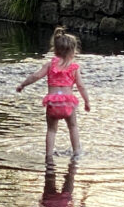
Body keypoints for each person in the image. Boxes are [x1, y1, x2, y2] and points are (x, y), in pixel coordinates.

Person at [16, 27, 91, 163]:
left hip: (53, 103)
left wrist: (23, 85)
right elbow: (81, 86)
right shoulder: (74, 68)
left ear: (55, 50)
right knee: (73, 126)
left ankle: (49, 156)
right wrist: (87, 101)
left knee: (51, 130)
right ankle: (76, 152)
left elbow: (36, 76)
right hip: (68, 103)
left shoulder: (50, 65)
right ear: (73, 52)